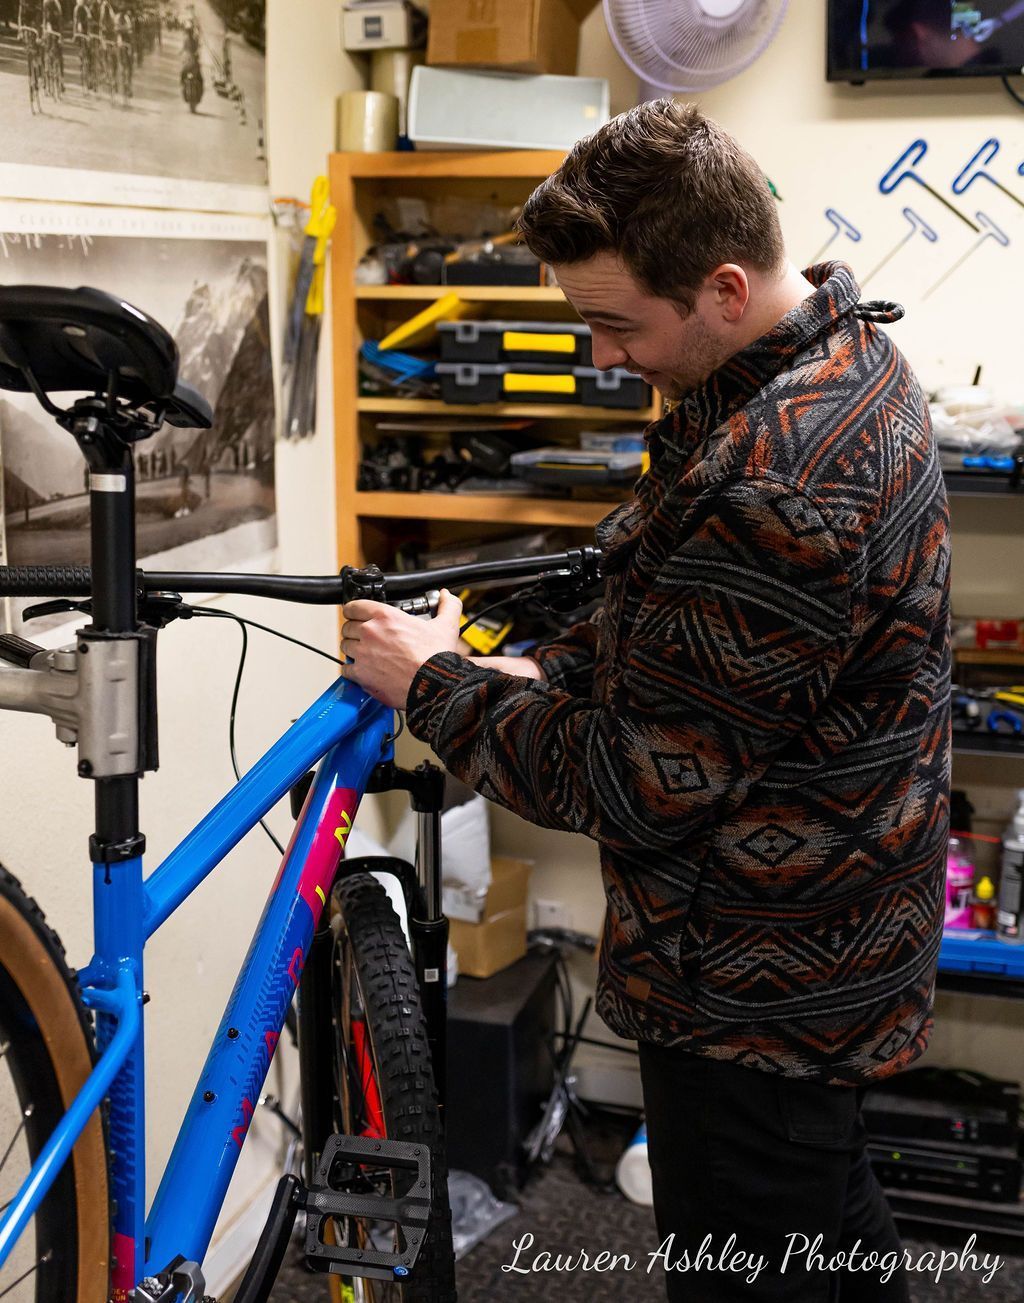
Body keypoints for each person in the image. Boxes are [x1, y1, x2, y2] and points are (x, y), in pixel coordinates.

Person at [340, 100, 950, 1302]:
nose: (604, 359)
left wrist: (438, 686)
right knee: (827, 1226)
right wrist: (544, 668)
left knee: (753, 1255)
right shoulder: (831, 353)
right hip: (829, 941)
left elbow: (641, 780)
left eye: (616, 326)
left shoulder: (785, 476)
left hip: (760, 982)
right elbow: (680, 615)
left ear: (723, 286)